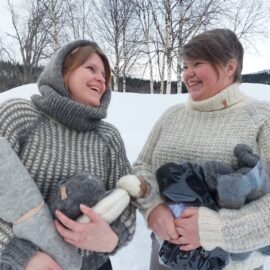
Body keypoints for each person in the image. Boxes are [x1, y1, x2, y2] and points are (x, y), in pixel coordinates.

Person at [132, 28, 270, 269]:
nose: (188, 74)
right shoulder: (171, 116)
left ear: (230, 67)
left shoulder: (261, 118)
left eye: (197, 63)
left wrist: (214, 228)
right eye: (185, 66)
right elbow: (142, 167)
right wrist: (152, 207)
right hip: (165, 258)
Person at [0, 40, 136, 270]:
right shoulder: (19, 116)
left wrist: (112, 237)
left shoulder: (109, 136)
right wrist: (23, 255)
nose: (101, 79)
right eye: (91, 68)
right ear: (62, 72)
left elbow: (127, 200)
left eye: (104, 75)